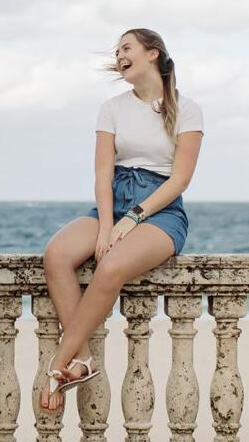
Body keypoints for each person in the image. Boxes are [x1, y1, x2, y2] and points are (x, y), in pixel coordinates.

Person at [38, 28, 204, 412]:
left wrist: (132, 219)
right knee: (57, 254)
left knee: (110, 267)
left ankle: (59, 364)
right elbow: (102, 175)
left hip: (161, 210)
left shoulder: (187, 108)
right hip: (113, 201)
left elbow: (180, 179)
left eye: (126, 48)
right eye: (116, 52)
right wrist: (110, 223)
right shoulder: (111, 107)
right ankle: (82, 358)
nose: (119, 56)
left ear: (152, 53)